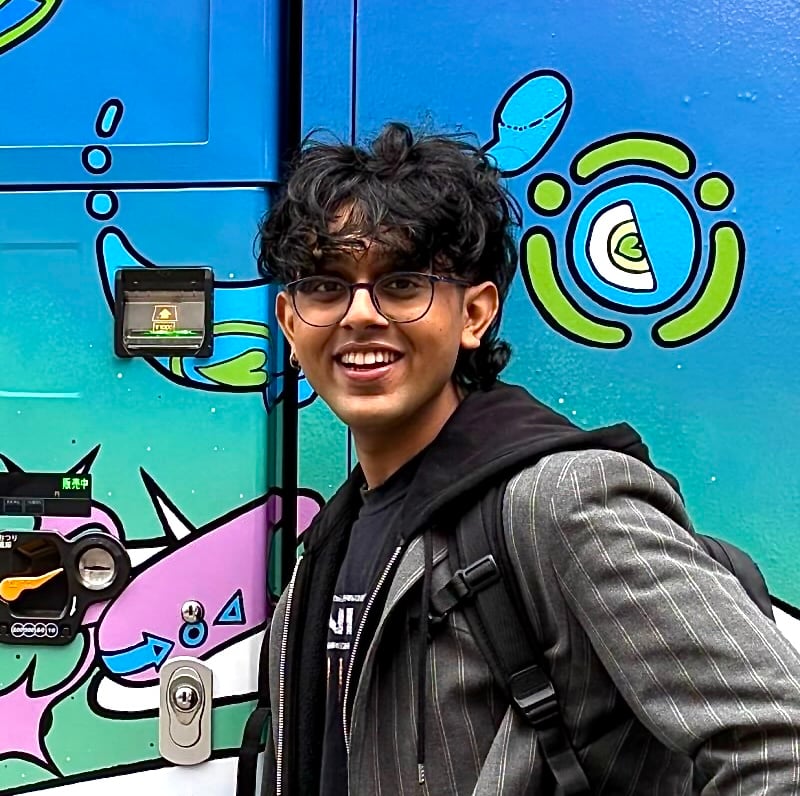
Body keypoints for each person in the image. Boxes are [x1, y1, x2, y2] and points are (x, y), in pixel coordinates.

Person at [255, 122, 800, 794]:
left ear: (475, 314)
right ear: (289, 322)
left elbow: (779, 743)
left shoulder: (563, 502)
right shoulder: (326, 550)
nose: (360, 314)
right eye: (325, 286)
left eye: (401, 284)